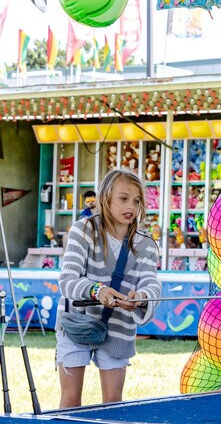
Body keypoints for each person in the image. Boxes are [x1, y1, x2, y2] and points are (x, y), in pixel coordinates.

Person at [56, 169, 161, 408]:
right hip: (76, 323)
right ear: (106, 198)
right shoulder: (83, 230)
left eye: (137, 200)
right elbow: (67, 280)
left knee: (113, 403)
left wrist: (141, 297)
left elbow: (151, 283)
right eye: (123, 198)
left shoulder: (145, 243)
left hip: (119, 326)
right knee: (70, 400)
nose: (131, 206)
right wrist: (97, 291)